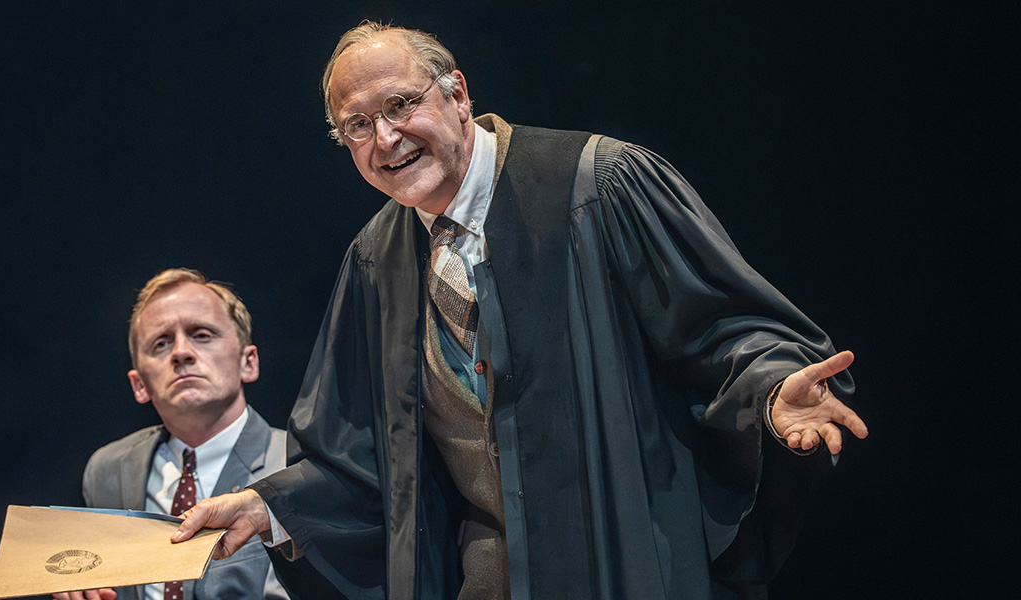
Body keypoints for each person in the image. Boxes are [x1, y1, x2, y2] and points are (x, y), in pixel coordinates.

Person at [172, 22, 869, 600]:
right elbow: (355, 459)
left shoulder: (596, 187)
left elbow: (719, 327)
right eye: (357, 125)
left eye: (400, 105)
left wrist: (771, 388)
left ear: (457, 94)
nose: (385, 139)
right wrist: (269, 505)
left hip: (626, 564)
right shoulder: (375, 262)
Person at [54, 269, 289, 600]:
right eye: (161, 343)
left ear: (247, 362)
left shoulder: (296, 464)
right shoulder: (107, 469)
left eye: (202, 335)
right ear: (139, 384)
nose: (181, 352)